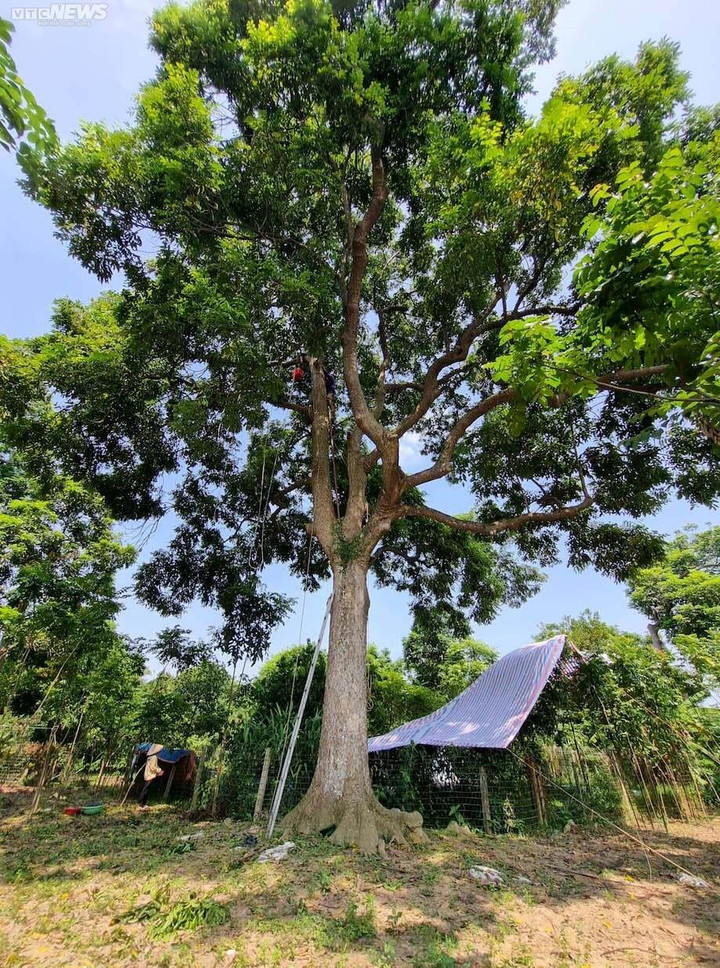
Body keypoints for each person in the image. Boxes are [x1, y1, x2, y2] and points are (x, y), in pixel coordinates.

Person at [138, 743, 164, 809]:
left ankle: (143, 803)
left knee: (146, 788)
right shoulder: (154, 757)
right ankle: (141, 803)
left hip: (148, 774)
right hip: (150, 775)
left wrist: (158, 769)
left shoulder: (150, 756)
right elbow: (153, 767)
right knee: (146, 789)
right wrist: (159, 771)